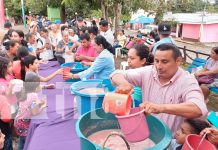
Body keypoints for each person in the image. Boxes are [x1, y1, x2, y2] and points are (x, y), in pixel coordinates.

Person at [110, 43, 208, 135]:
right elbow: (115, 74)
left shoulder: (187, 81)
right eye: (156, 61)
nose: (159, 66)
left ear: (178, 61)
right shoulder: (149, 72)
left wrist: (161, 108)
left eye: (164, 62)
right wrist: (124, 83)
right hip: (146, 132)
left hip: (170, 138)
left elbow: (198, 109)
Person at [14, 72, 46, 150]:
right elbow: (34, 112)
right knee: (26, 142)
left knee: (22, 141)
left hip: (18, 122)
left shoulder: (24, 90)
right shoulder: (33, 95)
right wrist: (43, 106)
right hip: (24, 125)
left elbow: (29, 105)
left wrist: (39, 103)